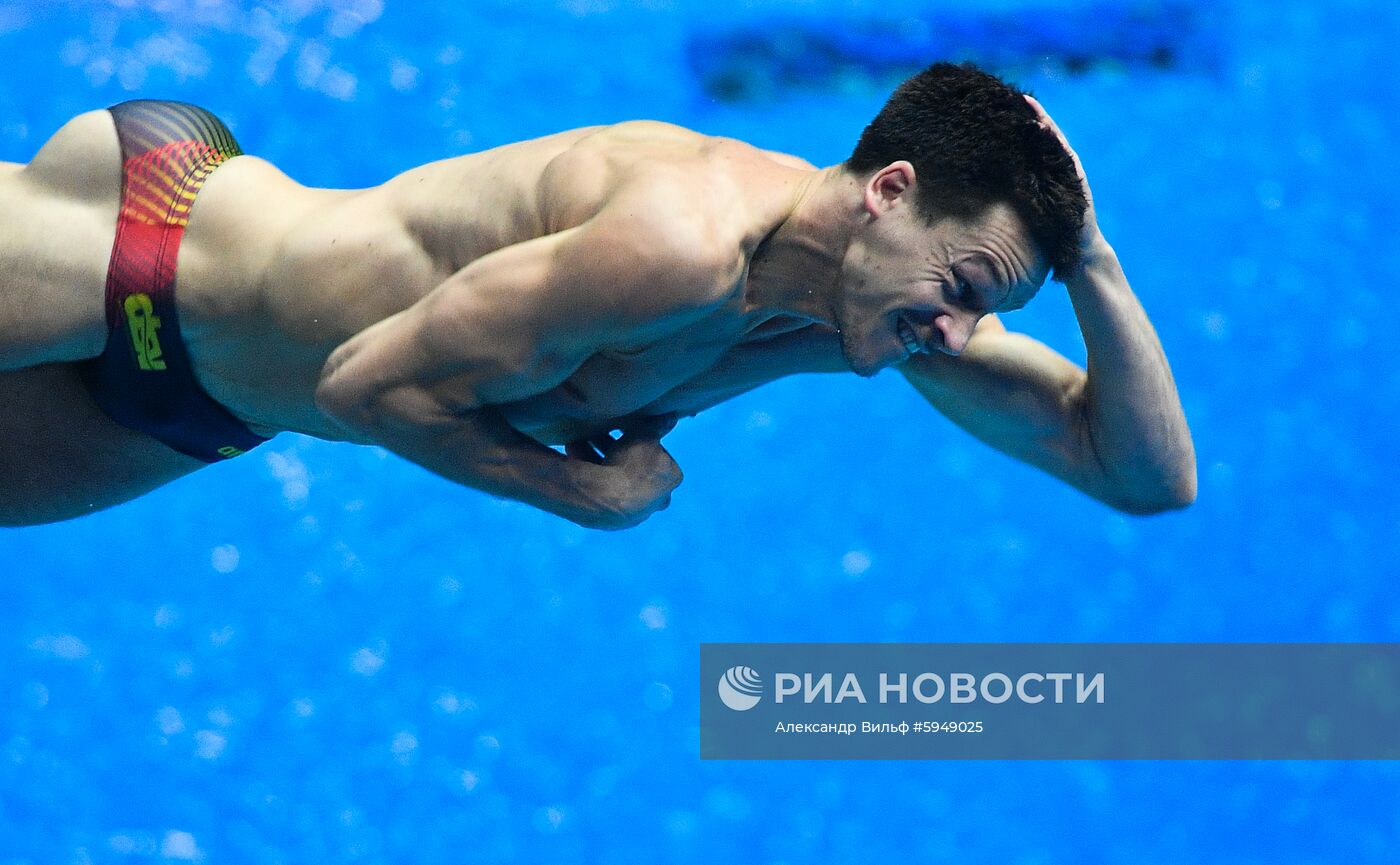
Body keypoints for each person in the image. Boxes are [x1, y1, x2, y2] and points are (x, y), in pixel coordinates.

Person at [0, 62, 1194, 529]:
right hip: (138, 243)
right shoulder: (681, 239)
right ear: (889, 190)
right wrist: (583, 492)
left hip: (189, 413)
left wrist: (1091, 258)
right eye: (968, 283)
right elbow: (363, 380)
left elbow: (1135, 472)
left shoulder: (853, 320)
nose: (957, 329)